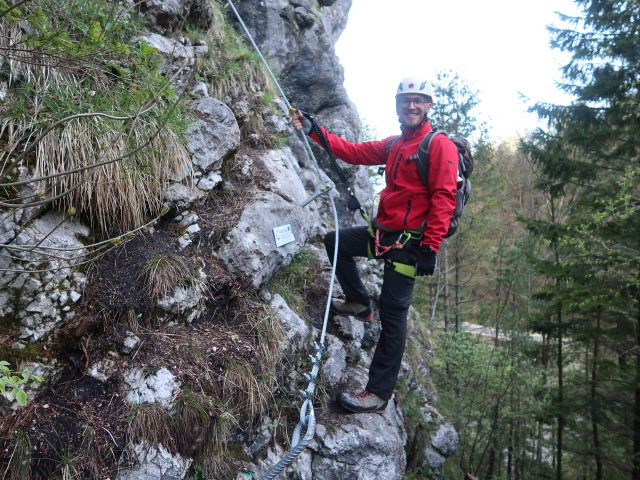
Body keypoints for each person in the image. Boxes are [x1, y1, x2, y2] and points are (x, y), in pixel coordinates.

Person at [292, 76, 459, 413]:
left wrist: (430, 248)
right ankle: (357, 302)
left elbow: (444, 197)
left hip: (410, 246)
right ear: (398, 106)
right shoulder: (394, 145)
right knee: (334, 241)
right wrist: (315, 130)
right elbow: (352, 153)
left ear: (428, 106)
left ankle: (378, 394)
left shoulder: (439, 146)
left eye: (418, 100)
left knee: (394, 317)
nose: (411, 106)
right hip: (384, 235)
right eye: (405, 100)